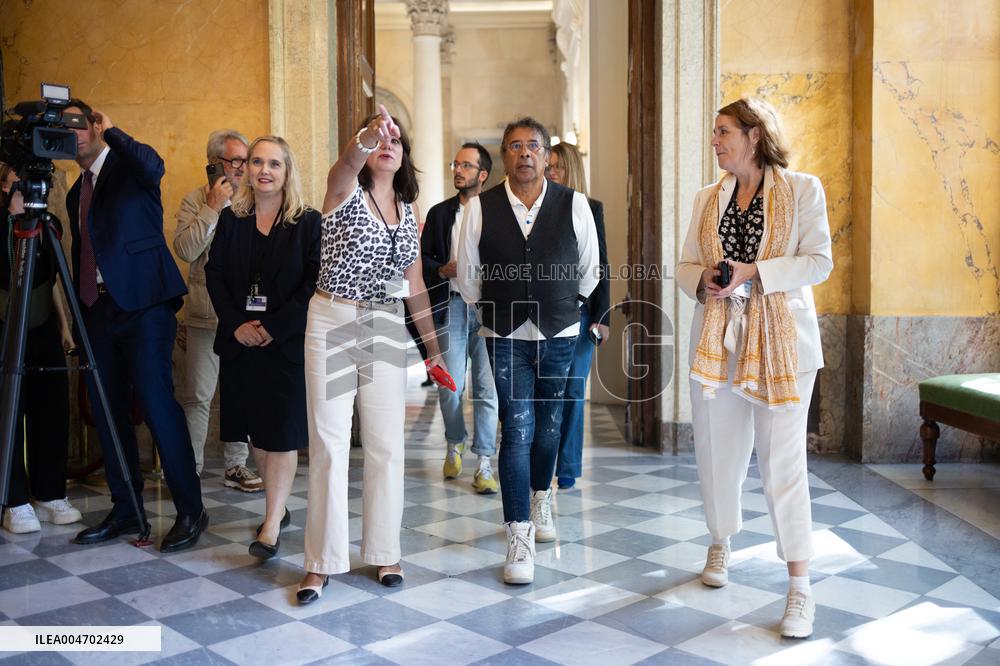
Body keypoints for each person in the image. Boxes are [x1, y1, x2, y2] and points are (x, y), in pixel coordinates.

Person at [676, 97, 833, 638]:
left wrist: (753, 272)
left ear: (754, 135)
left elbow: (818, 260)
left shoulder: (802, 190)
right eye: (715, 132)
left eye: (723, 132)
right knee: (718, 454)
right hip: (718, 341)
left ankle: (799, 587)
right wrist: (705, 280)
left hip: (784, 345)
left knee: (783, 463)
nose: (715, 141)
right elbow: (683, 264)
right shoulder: (707, 197)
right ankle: (720, 541)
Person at [298, 105, 447, 604]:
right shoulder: (344, 192)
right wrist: (365, 133)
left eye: (396, 141)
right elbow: (342, 164)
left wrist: (433, 352)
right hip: (334, 319)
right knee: (330, 442)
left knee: (386, 446)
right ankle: (321, 562)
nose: (388, 145)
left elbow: (415, 286)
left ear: (404, 159)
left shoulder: (410, 213)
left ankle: (385, 551)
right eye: (381, 139)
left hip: (383, 325)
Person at [456, 117, 599, 585]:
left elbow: (590, 270)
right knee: (515, 428)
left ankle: (542, 498)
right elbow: (469, 274)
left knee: (550, 424)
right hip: (505, 336)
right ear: (503, 155)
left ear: (544, 154)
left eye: (532, 146)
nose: (524, 154)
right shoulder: (480, 208)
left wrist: (564, 305)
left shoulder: (574, 204)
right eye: (514, 146)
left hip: (559, 332)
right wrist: (492, 309)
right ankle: (518, 533)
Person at [64, 100, 206, 552]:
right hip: (98, 310)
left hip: (145, 306)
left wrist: (113, 131)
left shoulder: (130, 166)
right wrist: (80, 314)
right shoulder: (74, 192)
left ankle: (190, 510)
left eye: (76, 125)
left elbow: (153, 163)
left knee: (157, 402)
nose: (70, 135)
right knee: (109, 412)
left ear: (93, 126)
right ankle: (127, 510)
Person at [206, 135, 320, 560]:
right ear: (246, 169)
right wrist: (237, 324)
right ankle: (279, 504)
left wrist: (273, 326)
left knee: (282, 434)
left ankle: (270, 523)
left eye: (274, 163)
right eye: (257, 162)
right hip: (240, 343)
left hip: (285, 344)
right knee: (256, 430)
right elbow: (214, 274)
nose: (264, 170)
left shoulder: (308, 222)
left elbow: (313, 283)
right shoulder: (232, 218)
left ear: (288, 171)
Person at [174, 130, 263, 492]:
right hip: (205, 315)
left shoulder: (257, 201)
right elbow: (185, 250)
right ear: (215, 164)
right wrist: (213, 207)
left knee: (241, 392)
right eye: (236, 160)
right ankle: (190, 468)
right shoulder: (195, 200)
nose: (243, 168)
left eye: (247, 160)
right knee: (197, 395)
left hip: (244, 316)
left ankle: (236, 466)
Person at [0, 164, 81, 534]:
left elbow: (50, 281)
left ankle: (49, 494)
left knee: (52, 407)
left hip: (43, 325)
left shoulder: (47, 224)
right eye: (19, 182)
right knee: (8, 412)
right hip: (5, 326)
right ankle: (14, 501)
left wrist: (65, 326)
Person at [422, 142, 499, 494]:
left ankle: (484, 462)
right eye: (456, 164)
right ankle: (455, 442)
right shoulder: (439, 214)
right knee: (449, 382)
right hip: (451, 304)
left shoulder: (497, 212)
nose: (458, 170)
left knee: (486, 389)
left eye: (466, 166)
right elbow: (420, 263)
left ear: (482, 174)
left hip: (488, 307)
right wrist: (442, 269)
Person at [545, 142, 611, 490]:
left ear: (571, 169)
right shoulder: (538, 207)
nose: (550, 172)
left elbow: (602, 266)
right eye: (548, 166)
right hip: (544, 314)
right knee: (547, 389)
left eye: (556, 166)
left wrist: (603, 319)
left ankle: (567, 464)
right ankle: (541, 458)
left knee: (573, 389)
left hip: (583, 314)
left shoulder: (591, 208)